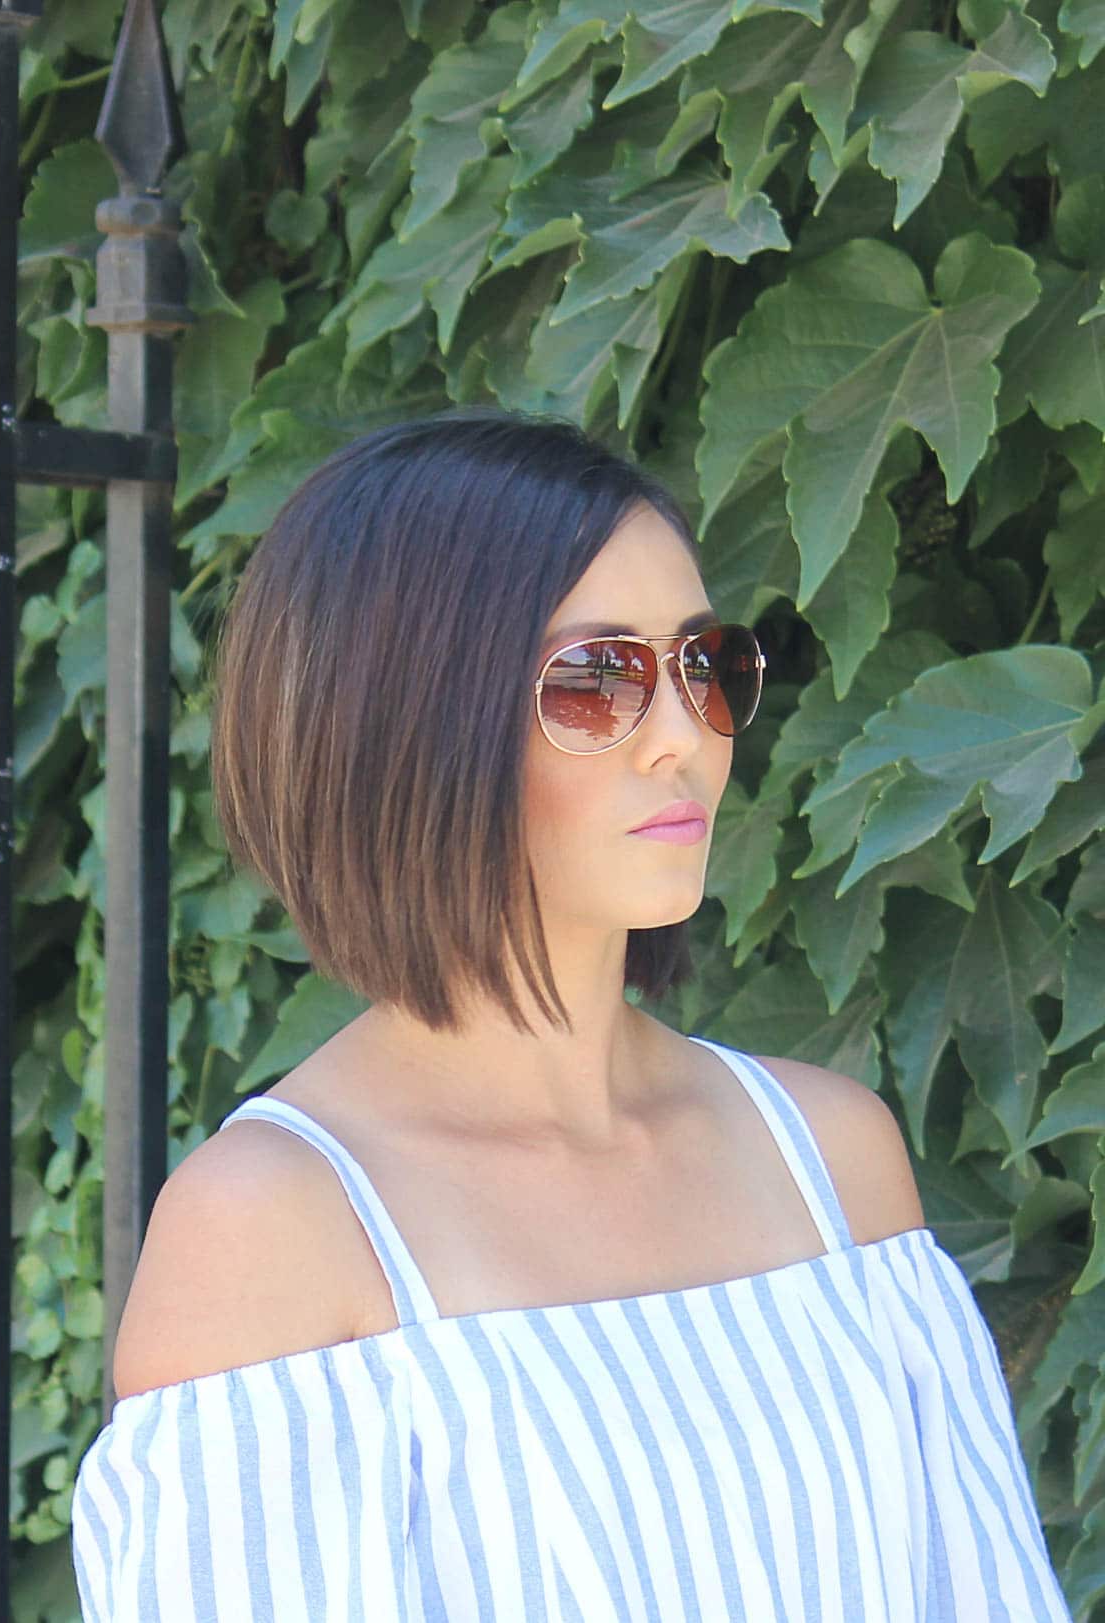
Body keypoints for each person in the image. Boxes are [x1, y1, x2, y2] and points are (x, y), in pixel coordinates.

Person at [70, 410, 1073, 1621]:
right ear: (402, 719)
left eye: (704, 665)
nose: (683, 738)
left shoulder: (831, 1160)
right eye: (598, 681)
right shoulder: (275, 1229)